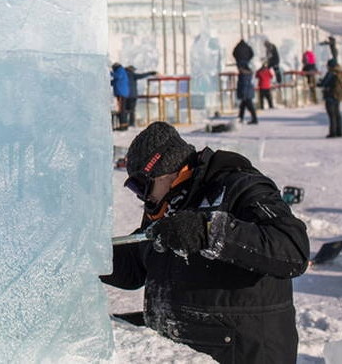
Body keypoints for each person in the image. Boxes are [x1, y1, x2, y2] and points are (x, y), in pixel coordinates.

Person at [101, 121, 309, 363]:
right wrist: (90, 255)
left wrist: (210, 232)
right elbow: (136, 266)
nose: (143, 197)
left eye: (142, 186)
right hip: (181, 351)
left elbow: (293, 250)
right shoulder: (168, 204)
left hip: (243, 352)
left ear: (167, 170)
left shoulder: (240, 186)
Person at [318, 58, 342, 138]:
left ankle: (333, 132)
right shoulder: (339, 72)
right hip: (338, 95)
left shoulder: (331, 73)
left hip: (330, 95)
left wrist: (320, 83)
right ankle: (339, 131)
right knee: (337, 114)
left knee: (332, 115)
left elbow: (324, 83)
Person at [110, 63, 130, 130]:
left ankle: (123, 125)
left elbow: (118, 76)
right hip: (121, 92)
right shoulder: (120, 71)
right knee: (121, 109)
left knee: (121, 109)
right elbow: (116, 81)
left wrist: (109, 73)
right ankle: (123, 124)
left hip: (121, 93)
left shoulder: (120, 70)